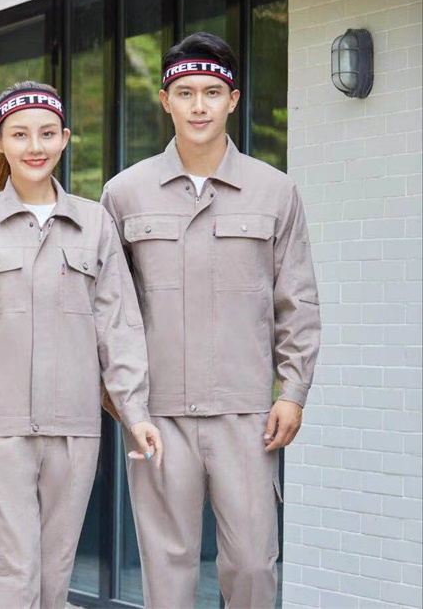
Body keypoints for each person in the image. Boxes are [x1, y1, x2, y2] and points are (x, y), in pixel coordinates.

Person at [0, 81, 163, 609]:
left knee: (53, 584)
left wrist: (135, 411)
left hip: (73, 433)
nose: (35, 146)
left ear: (65, 139)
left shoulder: (95, 224)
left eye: (47, 133)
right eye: (20, 134)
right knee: (8, 584)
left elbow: (118, 325)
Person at [101, 33, 321, 608]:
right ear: (165, 100)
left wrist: (293, 391)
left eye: (212, 92)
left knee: (251, 564)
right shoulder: (124, 194)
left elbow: (297, 300)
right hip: (158, 415)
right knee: (167, 569)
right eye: (185, 92)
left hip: (246, 415)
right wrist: (121, 399)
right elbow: (108, 309)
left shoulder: (276, 191)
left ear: (233, 99)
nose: (199, 105)